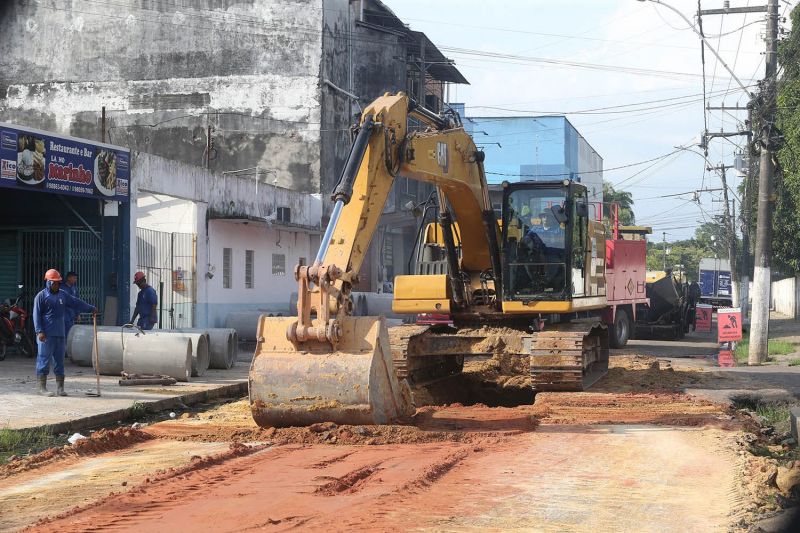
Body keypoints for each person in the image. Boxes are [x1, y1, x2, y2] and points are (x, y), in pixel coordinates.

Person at [33, 269, 96, 397]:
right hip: (46, 335)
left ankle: (60, 388)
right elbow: (36, 315)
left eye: (58, 283)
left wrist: (91, 308)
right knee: (44, 360)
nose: (56, 285)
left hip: (60, 334)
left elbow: (76, 302)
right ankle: (41, 388)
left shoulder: (63, 295)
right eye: (54, 283)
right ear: (48, 282)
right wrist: (39, 331)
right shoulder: (41, 296)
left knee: (59, 361)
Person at [62, 271, 79, 337]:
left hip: (71, 315)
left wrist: (77, 314)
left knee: (70, 333)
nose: (75, 280)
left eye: (76, 278)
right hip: (64, 315)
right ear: (69, 278)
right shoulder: (62, 288)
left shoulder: (74, 288)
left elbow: (77, 301)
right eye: (74, 278)